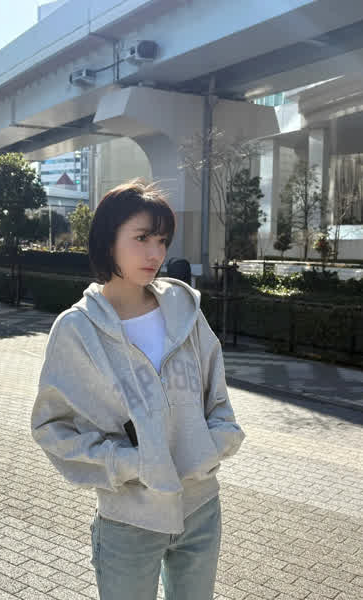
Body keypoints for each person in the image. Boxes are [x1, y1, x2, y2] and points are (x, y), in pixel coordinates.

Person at [30, 178, 246, 600]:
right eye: (142, 238)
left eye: (162, 241)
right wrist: (129, 463)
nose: (155, 254)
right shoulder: (77, 330)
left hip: (201, 509)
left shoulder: (185, 311)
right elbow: (51, 428)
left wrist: (213, 444)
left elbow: (217, 399)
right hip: (130, 519)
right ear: (108, 240)